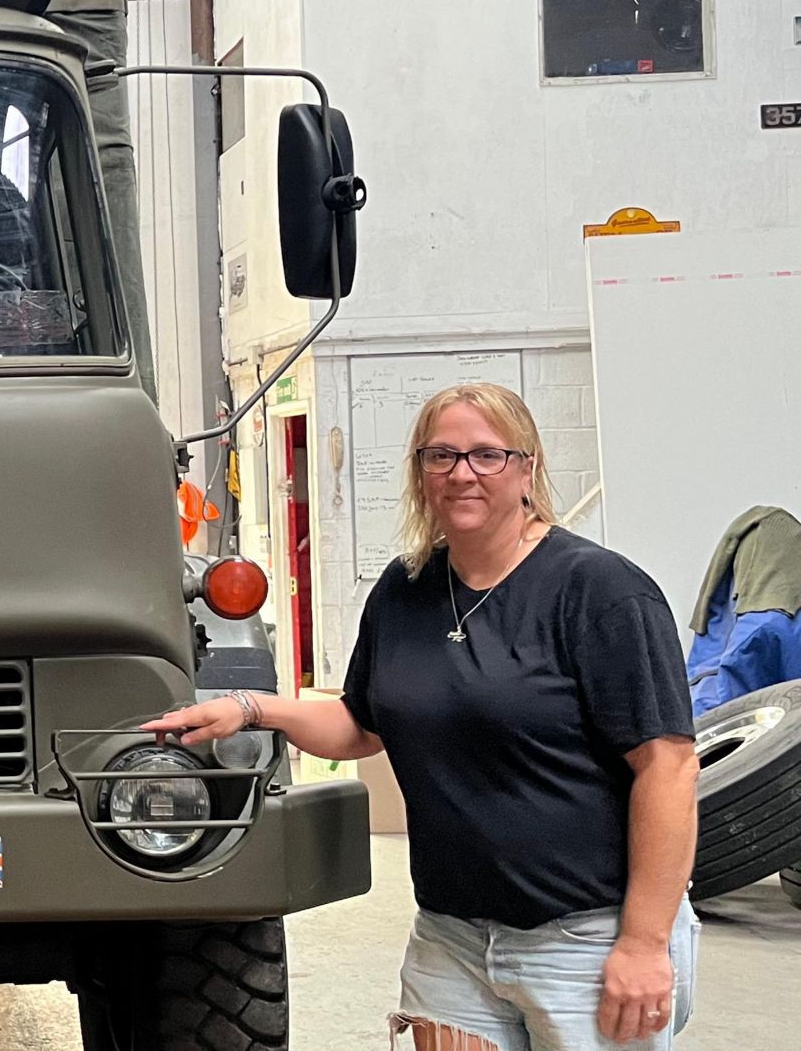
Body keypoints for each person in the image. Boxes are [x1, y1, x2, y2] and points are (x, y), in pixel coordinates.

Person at [146, 383, 700, 1051]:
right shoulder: (404, 590)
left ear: (527, 467)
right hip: (452, 939)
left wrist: (643, 940)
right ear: (419, 472)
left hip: (583, 936)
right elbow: (361, 724)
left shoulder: (601, 592)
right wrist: (251, 707)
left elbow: (667, 766)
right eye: (440, 456)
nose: (462, 472)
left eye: (486, 455)